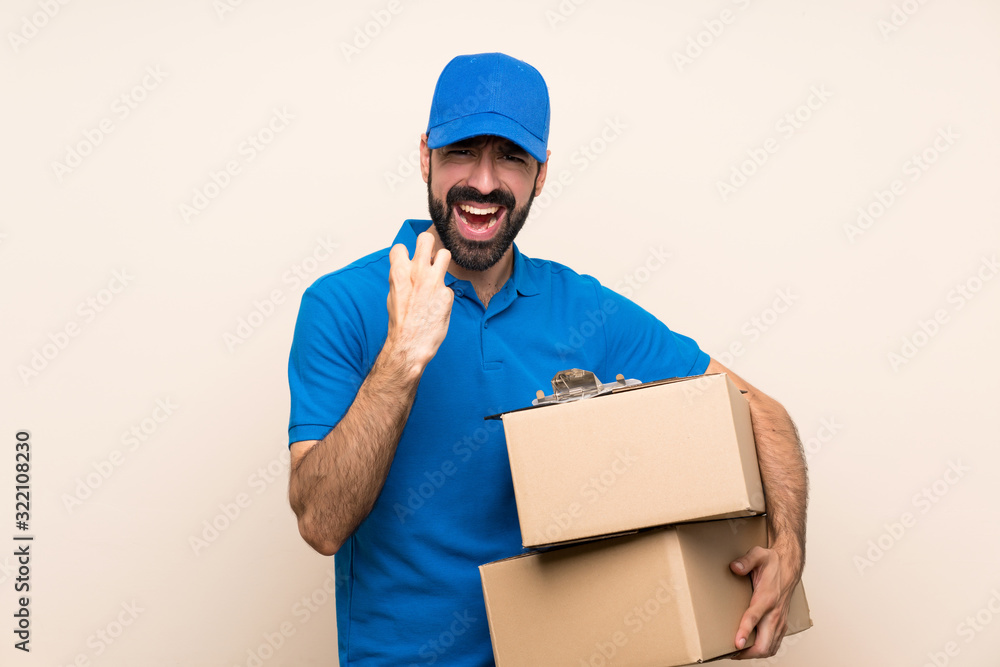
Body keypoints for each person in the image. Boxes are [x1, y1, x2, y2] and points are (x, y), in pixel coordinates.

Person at [287, 52, 807, 666]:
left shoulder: (583, 309)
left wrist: (788, 547)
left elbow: (762, 415)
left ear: (541, 173)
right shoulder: (342, 305)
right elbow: (321, 523)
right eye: (461, 152)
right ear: (425, 155)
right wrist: (401, 359)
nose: (483, 182)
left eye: (511, 157)